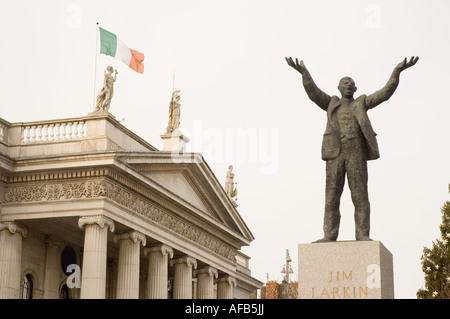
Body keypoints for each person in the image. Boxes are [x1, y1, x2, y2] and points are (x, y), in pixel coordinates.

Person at [286, 56, 419, 242]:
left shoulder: (361, 102)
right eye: (345, 83)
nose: (349, 85)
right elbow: (313, 92)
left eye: (352, 84)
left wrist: (396, 72)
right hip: (335, 153)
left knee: (360, 195)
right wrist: (304, 73)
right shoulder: (331, 102)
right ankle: (329, 235)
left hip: (356, 151)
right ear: (339, 88)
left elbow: (384, 94)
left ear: (355, 89)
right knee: (331, 196)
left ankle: (362, 234)